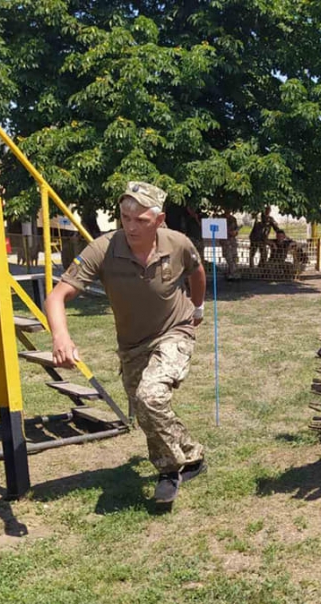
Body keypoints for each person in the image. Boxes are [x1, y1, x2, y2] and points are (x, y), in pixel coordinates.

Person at [45, 181, 207, 506]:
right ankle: (192, 454)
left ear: (159, 220)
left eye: (141, 220)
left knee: (151, 397)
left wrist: (198, 308)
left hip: (175, 330)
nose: (131, 226)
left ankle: (168, 470)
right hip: (132, 345)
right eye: (125, 217)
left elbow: (196, 271)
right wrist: (61, 335)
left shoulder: (177, 243)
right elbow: (57, 295)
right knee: (145, 412)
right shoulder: (103, 249)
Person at [223, 209, 240, 280]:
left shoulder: (233, 219)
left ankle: (232, 273)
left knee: (234, 257)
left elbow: (236, 230)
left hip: (232, 241)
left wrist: (235, 232)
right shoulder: (221, 218)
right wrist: (228, 232)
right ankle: (233, 273)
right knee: (228, 257)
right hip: (225, 242)